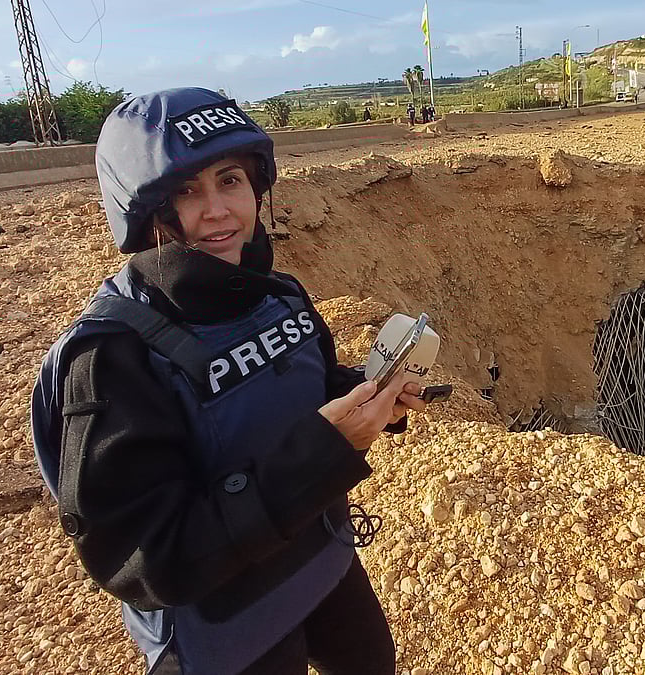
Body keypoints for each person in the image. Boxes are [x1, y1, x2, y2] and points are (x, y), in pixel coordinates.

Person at [30, 87, 423, 675]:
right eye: (186, 191)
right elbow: (146, 559)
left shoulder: (280, 297)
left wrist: (370, 397)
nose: (217, 210)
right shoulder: (115, 358)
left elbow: (305, 393)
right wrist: (325, 450)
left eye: (230, 180)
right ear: (146, 211)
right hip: (227, 624)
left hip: (318, 555)